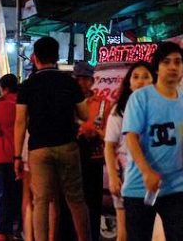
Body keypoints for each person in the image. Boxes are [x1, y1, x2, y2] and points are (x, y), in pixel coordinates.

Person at [122, 41, 183, 241]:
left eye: (177, 62)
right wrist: (147, 172)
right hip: (139, 187)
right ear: (157, 67)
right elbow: (131, 138)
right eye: (166, 62)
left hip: (176, 187)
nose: (172, 67)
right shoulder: (140, 98)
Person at [14, 36, 91, 241]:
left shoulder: (27, 86)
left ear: (35, 58)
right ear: (57, 57)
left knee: (41, 201)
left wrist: (16, 156)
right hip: (67, 145)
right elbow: (84, 114)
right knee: (75, 199)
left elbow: (20, 122)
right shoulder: (69, 82)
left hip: (38, 149)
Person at [104, 62, 154, 241]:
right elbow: (109, 146)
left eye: (146, 76)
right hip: (127, 177)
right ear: (129, 83)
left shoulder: (160, 108)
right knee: (125, 233)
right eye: (136, 77)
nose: (141, 81)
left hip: (154, 179)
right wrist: (113, 176)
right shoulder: (119, 112)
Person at [69, 61, 111, 241]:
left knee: (93, 205)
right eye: (78, 79)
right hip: (72, 158)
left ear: (92, 81)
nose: (81, 83)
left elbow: (110, 134)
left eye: (85, 79)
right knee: (72, 204)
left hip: (94, 159)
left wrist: (95, 132)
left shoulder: (103, 104)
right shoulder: (67, 102)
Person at [0, 73, 20, 241]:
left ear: (4, 88)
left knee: (1, 195)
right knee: (16, 195)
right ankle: (15, 228)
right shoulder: (22, 104)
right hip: (19, 157)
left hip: (1, 155)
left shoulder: (2, 105)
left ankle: (0, 230)